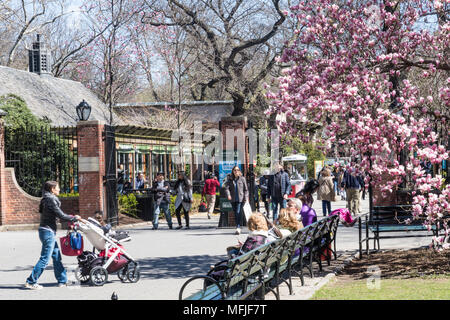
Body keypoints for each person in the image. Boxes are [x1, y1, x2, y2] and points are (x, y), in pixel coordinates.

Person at [25, 181, 82, 290]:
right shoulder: (50, 200)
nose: (59, 190)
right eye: (58, 188)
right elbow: (61, 215)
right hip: (48, 232)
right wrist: (75, 218)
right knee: (45, 259)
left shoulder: (47, 199)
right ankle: (31, 281)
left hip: (46, 231)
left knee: (56, 256)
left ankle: (62, 280)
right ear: (52, 189)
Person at [223, 166, 249, 235]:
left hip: (241, 199)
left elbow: (246, 190)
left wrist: (246, 197)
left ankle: (238, 227)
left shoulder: (242, 179)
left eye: (237, 170)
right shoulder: (230, 179)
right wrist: (228, 195)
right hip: (233, 199)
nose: (236, 171)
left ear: (239, 171)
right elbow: (226, 188)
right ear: (233, 171)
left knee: (238, 212)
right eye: (235, 170)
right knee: (236, 212)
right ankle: (238, 226)